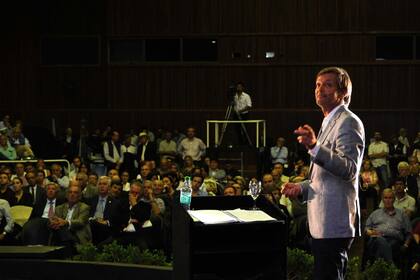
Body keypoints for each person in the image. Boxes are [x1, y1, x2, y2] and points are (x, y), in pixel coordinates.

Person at [281, 67, 365, 280]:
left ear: (343, 92)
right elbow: (325, 178)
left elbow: (349, 169)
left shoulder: (349, 121)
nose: (320, 89)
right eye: (318, 85)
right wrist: (301, 187)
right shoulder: (329, 121)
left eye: (328, 84)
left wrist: (315, 146)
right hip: (322, 222)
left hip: (334, 221)